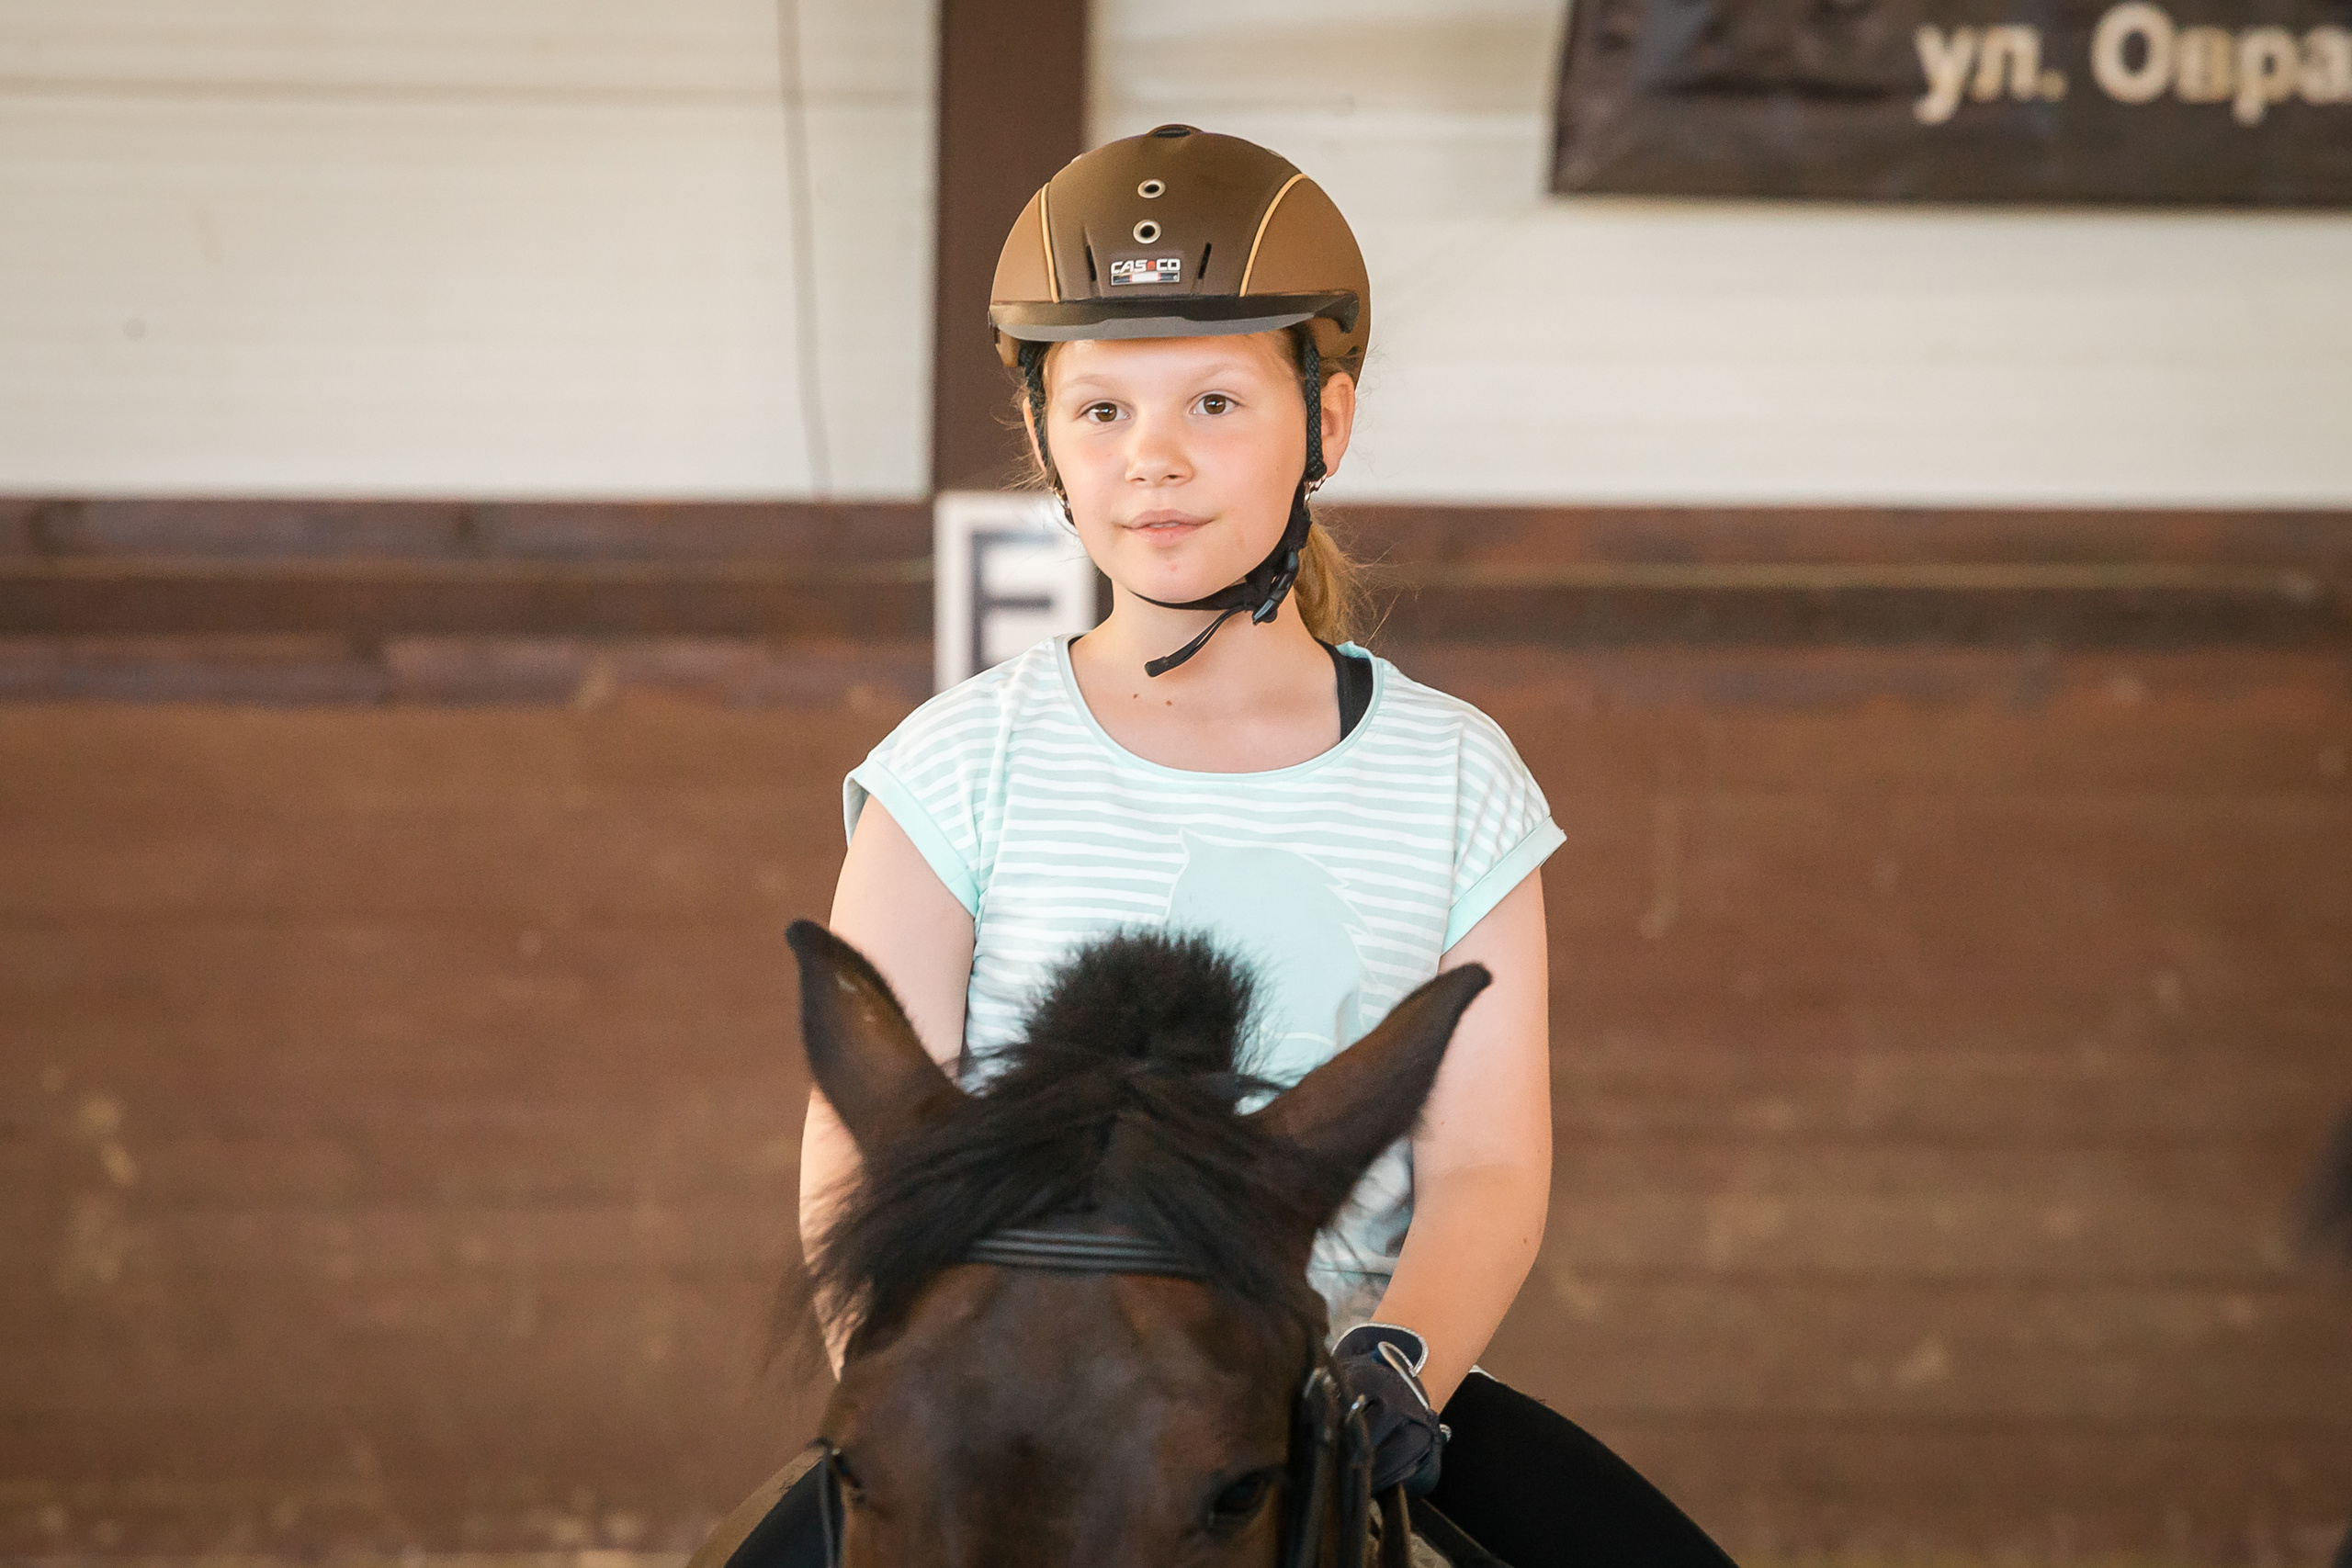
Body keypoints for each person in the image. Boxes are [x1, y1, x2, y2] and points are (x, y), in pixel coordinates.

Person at [731, 126, 1737, 1568]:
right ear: (1047, 442)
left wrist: (1401, 1363)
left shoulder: (1456, 779)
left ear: (1325, 425)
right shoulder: (953, 767)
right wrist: (901, 1368)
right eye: (1102, 413)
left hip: (1329, 1384)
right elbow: (864, 1139)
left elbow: (1487, 1168)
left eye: (1213, 401)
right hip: (999, 1388)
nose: (1154, 460)